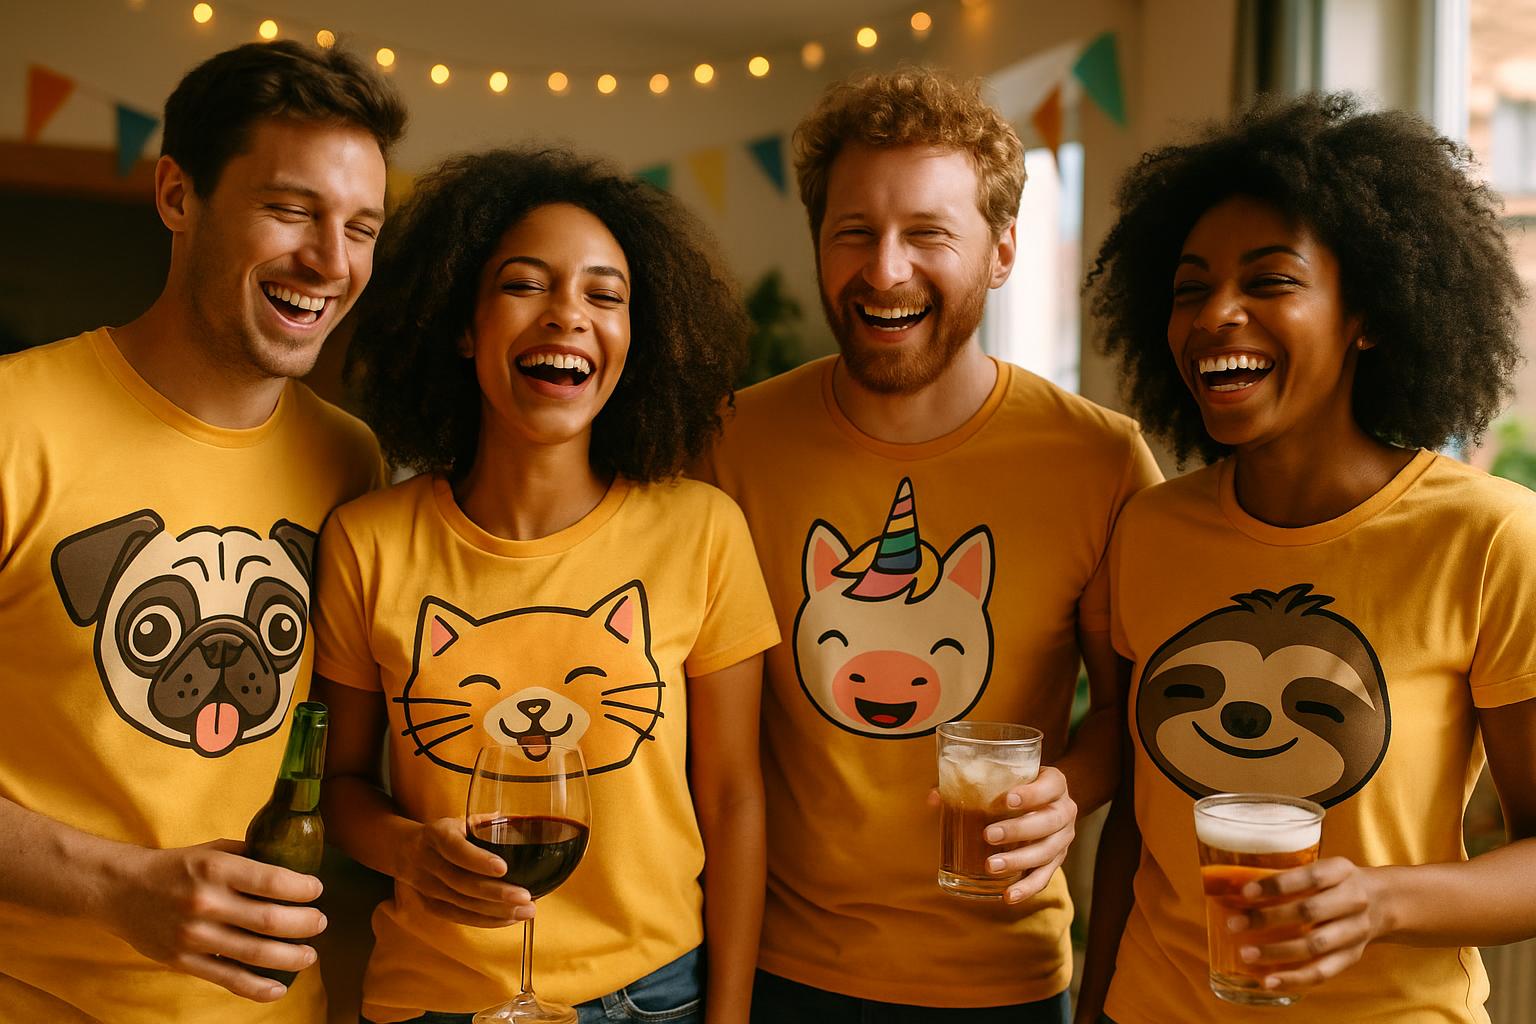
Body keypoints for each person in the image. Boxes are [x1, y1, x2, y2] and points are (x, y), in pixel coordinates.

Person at [695, 68, 1160, 1022]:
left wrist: (1068, 790)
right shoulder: (727, 445)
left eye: (928, 234)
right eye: (853, 232)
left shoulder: (1101, 460)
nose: (885, 270)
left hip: (1006, 981)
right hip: (776, 968)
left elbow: (1133, 712)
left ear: (1002, 252)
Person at [1077, 92, 1536, 1024]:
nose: (1217, 315)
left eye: (1270, 281)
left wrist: (1383, 901)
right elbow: (1139, 818)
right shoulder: (1151, 528)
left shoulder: (1489, 538)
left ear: (1367, 312)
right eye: (1191, 289)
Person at [312, 146, 778, 1024]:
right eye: (526, 285)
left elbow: (733, 798)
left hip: (653, 999)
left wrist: (728, 1018)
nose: (567, 315)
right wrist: (408, 850)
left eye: (605, 296)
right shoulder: (367, 542)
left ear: (637, 339)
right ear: (463, 325)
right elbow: (339, 786)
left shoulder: (703, 531)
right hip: (436, 1001)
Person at [0, 40, 405, 1024]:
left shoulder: (350, 462)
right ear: (178, 195)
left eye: (361, 226)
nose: (332, 261)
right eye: (292, 209)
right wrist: (116, 887)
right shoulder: (14, 423)